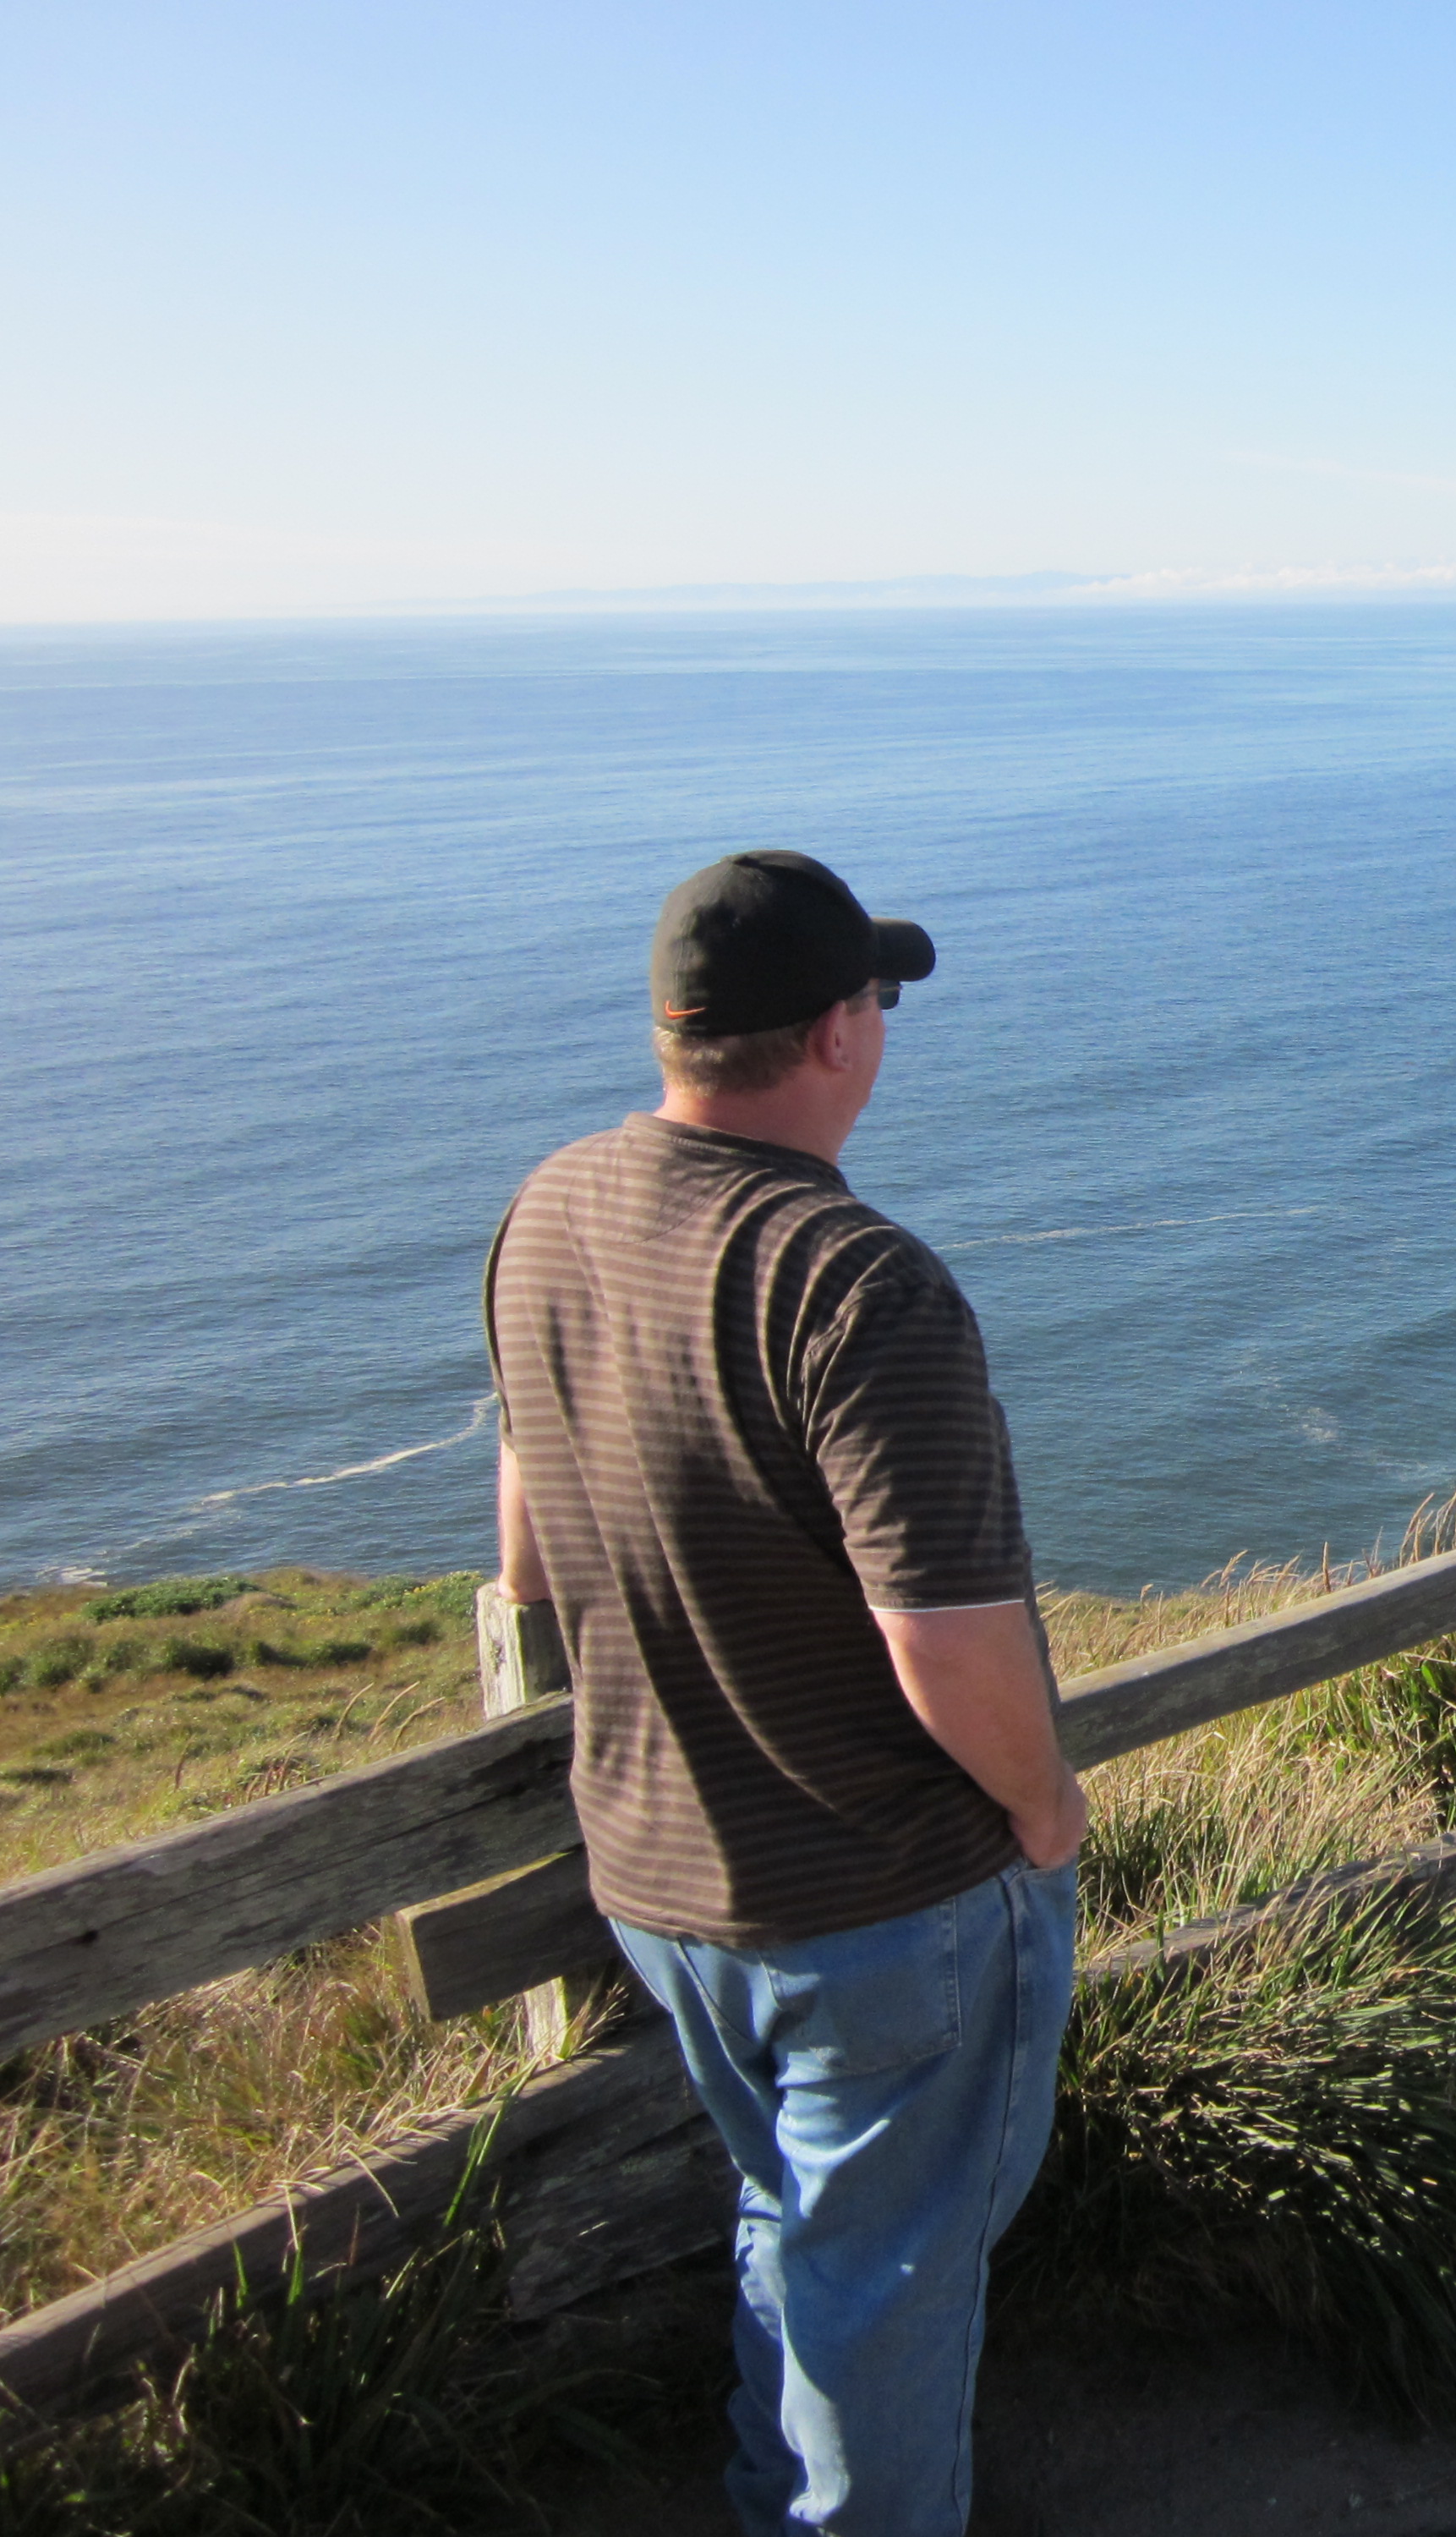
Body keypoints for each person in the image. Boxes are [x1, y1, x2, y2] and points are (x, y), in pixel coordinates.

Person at [484, 848, 1087, 2537]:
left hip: (662, 1884)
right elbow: (946, 1644)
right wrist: (1042, 1814)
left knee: (802, 2225)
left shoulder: (550, 1209)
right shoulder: (854, 1282)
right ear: (833, 1034)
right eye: (875, 1002)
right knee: (889, 2285)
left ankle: (775, 2500)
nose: (880, 1029)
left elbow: (529, 1548)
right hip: (880, 1901)